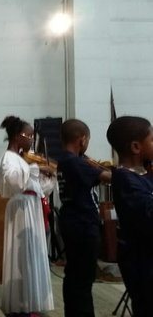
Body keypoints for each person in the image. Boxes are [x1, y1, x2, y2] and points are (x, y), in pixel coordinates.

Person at [0, 115, 55, 316]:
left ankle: (31, 301)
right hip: (21, 207)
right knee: (22, 255)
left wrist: (48, 177)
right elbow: (13, 181)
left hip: (33, 206)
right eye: (28, 135)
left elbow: (40, 188)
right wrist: (35, 169)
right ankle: (21, 304)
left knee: (33, 254)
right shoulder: (8, 157)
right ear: (16, 136)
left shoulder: (24, 158)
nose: (31, 139)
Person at [57, 119, 111, 317]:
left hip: (73, 222)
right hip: (82, 225)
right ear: (82, 140)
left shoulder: (67, 160)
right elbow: (108, 177)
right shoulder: (75, 163)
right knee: (82, 280)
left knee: (75, 277)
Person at [106, 116, 153, 316]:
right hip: (144, 266)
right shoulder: (125, 179)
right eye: (151, 140)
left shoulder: (141, 175)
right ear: (136, 147)